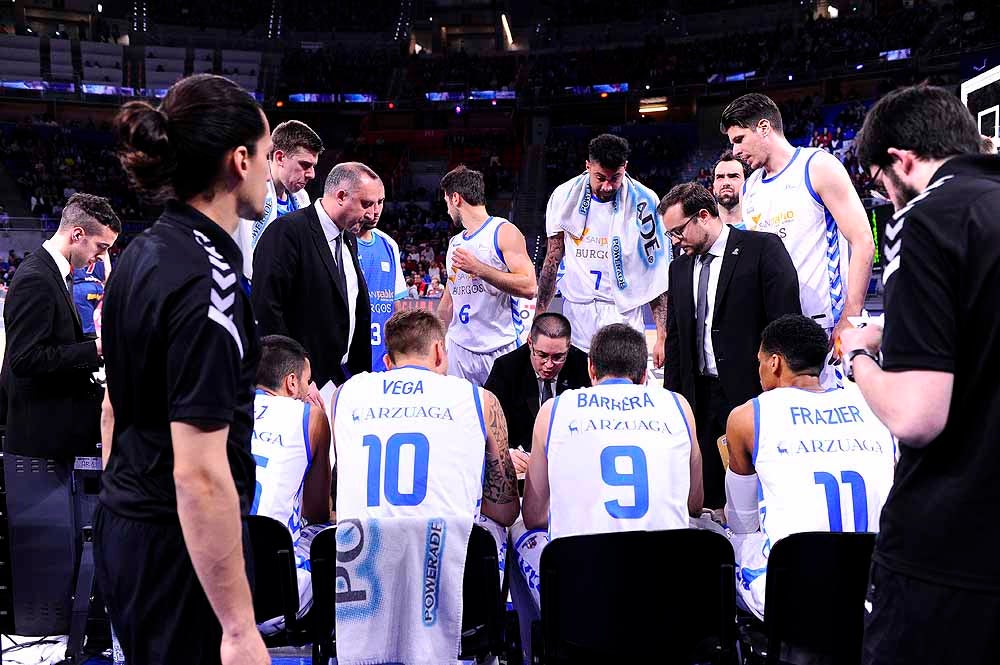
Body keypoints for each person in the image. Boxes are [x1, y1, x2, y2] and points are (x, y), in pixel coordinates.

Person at [96, 74, 270, 665]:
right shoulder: (210, 282)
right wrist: (240, 629)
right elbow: (199, 473)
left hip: (128, 526)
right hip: (181, 549)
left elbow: (114, 407)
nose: (271, 173)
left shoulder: (137, 256)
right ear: (239, 160)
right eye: (270, 156)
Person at [841, 84, 999, 664]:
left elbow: (917, 414)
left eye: (881, 182)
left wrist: (860, 357)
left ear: (901, 159)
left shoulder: (926, 217)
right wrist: (900, 330)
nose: (886, 196)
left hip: (951, 546)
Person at [516, 324, 703, 609]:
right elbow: (694, 504)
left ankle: (536, 648)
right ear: (644, 376)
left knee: (520, 532)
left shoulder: (553, 410)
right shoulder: (678, 405)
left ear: (591, 370)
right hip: (662, 590)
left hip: (582, 593)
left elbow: (534, 517)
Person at [725, 314, 895, 620]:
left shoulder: (748, 416)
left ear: (774, 363)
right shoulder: (873, 406)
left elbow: (742, 521)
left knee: (724, 543)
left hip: (798, 590)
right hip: (877, 585)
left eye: (760, 361)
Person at [660, 183, 800, 508]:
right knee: (708, 497)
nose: (675, 242)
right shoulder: (678, 268)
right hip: (700, 398)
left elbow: (785, 325)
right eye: (670, 235)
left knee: (759, 495)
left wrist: (781, 395)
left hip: (753, 394)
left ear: (704, 216)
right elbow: (677, 342)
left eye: (678, 232)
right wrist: (674, 403)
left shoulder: (762, 248)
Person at [721, 93, 875, 385]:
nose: (735, 150)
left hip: (826, 325)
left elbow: (863, 241)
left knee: (836, 422)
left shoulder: (817, 166)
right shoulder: (750, 187)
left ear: (764, 128)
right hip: (777, 330)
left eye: (739, 139)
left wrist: (851, 316)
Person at [1, 192, 120, 461]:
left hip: (53, 424)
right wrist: (96, 349)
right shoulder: (37, 278)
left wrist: (99, 343)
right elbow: (25, 358)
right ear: (77, 235)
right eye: (101, 247)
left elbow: (57, 340)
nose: (101, 258)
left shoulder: (54, 273)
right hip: (43, 435)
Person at [537, 134, 669, 363]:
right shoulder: (563, 196)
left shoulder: (645, 202)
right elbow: (552, 259)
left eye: (615, 178)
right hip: (577, 313)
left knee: (623, 391)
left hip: (623, 314)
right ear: (587, 166)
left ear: (625, 167)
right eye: (600, 177)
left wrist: (662, 335)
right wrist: (539, 314)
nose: (607, 186)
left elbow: (655, 274)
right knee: (579, 391)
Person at [252, 162, 377, 398]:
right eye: (366, 204)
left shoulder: (347, 238)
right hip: (300, 386)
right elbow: (267, 310)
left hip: (342, 378)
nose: (371, 214)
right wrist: (298, 376)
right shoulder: (287, 231)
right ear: (341, 196)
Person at [249, 335, 332, 634]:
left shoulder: (220, 409)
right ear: (292, 382)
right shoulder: (310, 417)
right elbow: (318, 510)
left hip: (209, 595)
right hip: (278, 599)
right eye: (309, 381)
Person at [437, 165, 536, 386]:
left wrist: (480, 269)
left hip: (499, 347)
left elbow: (529, 286)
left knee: (503, 417)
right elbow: (448, 302)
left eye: (446, 202)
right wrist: (432, 341)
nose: (447, 210)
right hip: (459, 348)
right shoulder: (455, 243)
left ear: (455, 198)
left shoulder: (503, 231)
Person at [484, 312, 590, 474]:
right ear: (530, 344)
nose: (548, 364)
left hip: (571, 465)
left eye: (558, 357)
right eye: (542, 355)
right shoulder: (506, 369)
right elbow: (486, 426)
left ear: (568, 347)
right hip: (522, 468)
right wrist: (506, 454)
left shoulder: (584, 367)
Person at [234, 119, 322, 279]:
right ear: (280, 158)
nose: (311, 174)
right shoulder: (248, 188)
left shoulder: (302, 198)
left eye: (313, 166)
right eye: (305, 165)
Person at [356, 190, 405, 371]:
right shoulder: (340, 240)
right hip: (345, 362)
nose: (376, 210)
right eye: (368, 203)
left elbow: (397, 305)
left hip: (382, 361)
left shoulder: (389, 244)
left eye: (381, 202)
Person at [72, 252, 111, 337]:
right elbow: (108, 272)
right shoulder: (103, 249)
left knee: (86, 328)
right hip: (98, 287)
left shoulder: (77, 246)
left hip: (80, 288)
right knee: (101, 324)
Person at [712, 150, 751, 228]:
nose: (726, 183)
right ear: (713, 188)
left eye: (733, 176)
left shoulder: (760, 225)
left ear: (747, 184)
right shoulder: (704, 229)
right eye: (720, 177)